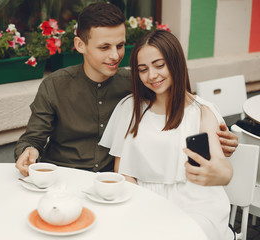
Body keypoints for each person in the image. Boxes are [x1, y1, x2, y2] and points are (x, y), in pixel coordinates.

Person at [14, 2, 238, 184]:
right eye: (105, 47)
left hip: (111, 185)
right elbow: (33, 137)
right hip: (63, 181)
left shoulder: (139, 83)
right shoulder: (55, 85)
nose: (115, 55)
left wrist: (219, 139)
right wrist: (29, 150)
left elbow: (180, 109)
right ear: (80, 45)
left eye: (120, 45)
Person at [99, 30, 234, 239]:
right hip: (143, 198)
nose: (152, 75)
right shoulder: (129, 108)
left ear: (176, 63)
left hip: (196, 202)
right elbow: (123, 171)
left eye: (159, 65)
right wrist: (146, 206)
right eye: (143, 69)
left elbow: (220, 165)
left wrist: (222, 173)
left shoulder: (202, 111)